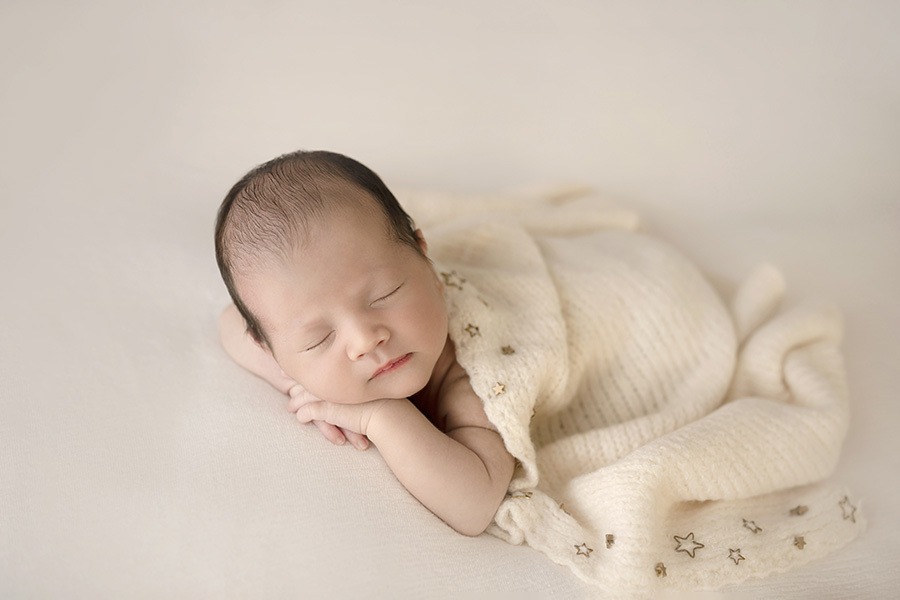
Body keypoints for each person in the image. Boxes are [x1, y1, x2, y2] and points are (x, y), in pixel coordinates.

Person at [215, 150, 515, 536]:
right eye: (318, 339)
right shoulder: (276, 339)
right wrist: (298, 383)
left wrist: (380, 417)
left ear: (424, 256)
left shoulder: (473, 375)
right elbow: (229, 322)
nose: (365, 340)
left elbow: (476, 504)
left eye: (384, 294)